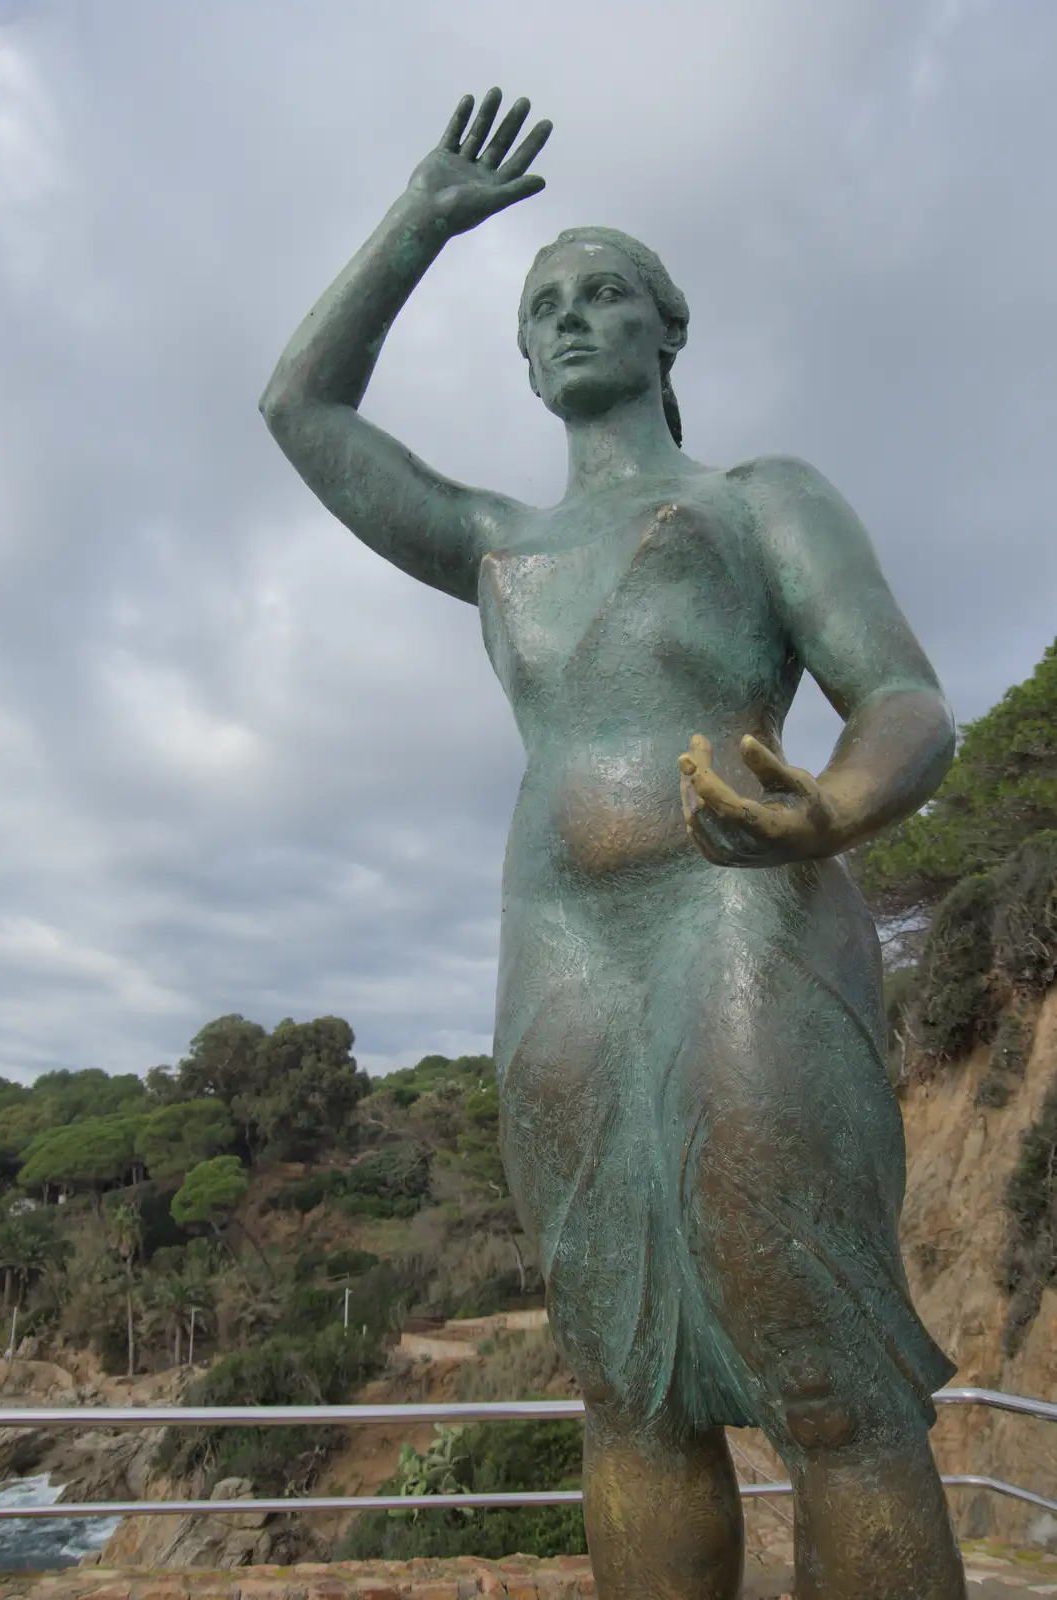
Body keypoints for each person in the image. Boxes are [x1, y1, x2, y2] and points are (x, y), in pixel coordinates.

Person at [260, 89, 966, 1600]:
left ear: (667, 333)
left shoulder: (757, 498)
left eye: (605, 296)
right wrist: (417, 224)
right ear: (524, 361)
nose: (573, 318)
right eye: (546, 309)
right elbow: (300, 413)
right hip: (564, 948)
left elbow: (903, 697)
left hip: (742, 920)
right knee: (626, 1382)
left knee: (823, 1359)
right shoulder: (494, 539)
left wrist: (830, 809)